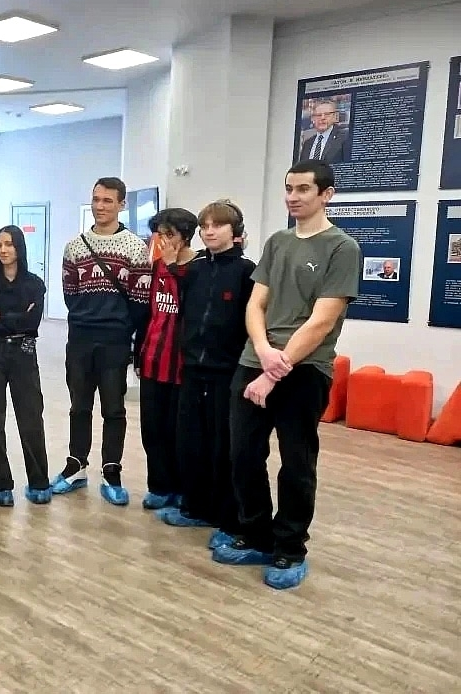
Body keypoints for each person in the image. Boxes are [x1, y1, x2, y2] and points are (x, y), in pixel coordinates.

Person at [212, 160, 361, 590]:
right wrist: (261, 351)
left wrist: (274, 371)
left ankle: (290, 547)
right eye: (289, 189)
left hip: (305, 368)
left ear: (326, 194)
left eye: (303, 189)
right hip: (255, 361)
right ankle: (256, 533)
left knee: (296, 462)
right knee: (243, 454)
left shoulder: (342, 248)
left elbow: (321, 320)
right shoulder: (277, 242)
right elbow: (255, 304)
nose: (293, 197)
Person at [154, 201, 255, 553]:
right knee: (190, 442)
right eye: (205, 226)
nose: (210, 231)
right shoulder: (196, 270)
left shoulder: (246, 272)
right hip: (193, 369)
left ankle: (227, 519)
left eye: (218, 225)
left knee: (223, 447)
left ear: (234, 231)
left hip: (227, 372)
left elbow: (251, 322)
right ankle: (195, 507)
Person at [51, 177, 151, 505]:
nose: (100, 206)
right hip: (80, 339)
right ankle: (76, 466)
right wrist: (88, 317)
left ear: (122, 204)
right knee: (79, 406)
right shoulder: (75, 246)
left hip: (114, 342)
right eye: (96, 199)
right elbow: (70, 294)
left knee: (113, 409)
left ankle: (111, 471)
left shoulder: (135, 247)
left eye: (108, 200)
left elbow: (140, 300)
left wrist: (121, 329)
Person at [0, 225, 51, 506]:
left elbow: (32, 323)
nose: (3, 250)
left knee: (31, 418)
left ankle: (39, 481)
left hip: (24, 354)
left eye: (9, 244)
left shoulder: (34, 284)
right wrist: (16, 318)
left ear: (19, 247)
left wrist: (1, 318)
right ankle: (0, 483)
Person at [134, 208, 199, 511]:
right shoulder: (156, 267)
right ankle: (159, 486)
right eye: (159, 234)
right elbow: (148, 313)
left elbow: (192, 307)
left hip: (183, 366)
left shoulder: (199, 268)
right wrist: (138, 353)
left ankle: (183, 488)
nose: (163, 241)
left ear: (185, 236)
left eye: (169, 234)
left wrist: (174, 268)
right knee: (153, 429)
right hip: (153, 360)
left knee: (181, 433)